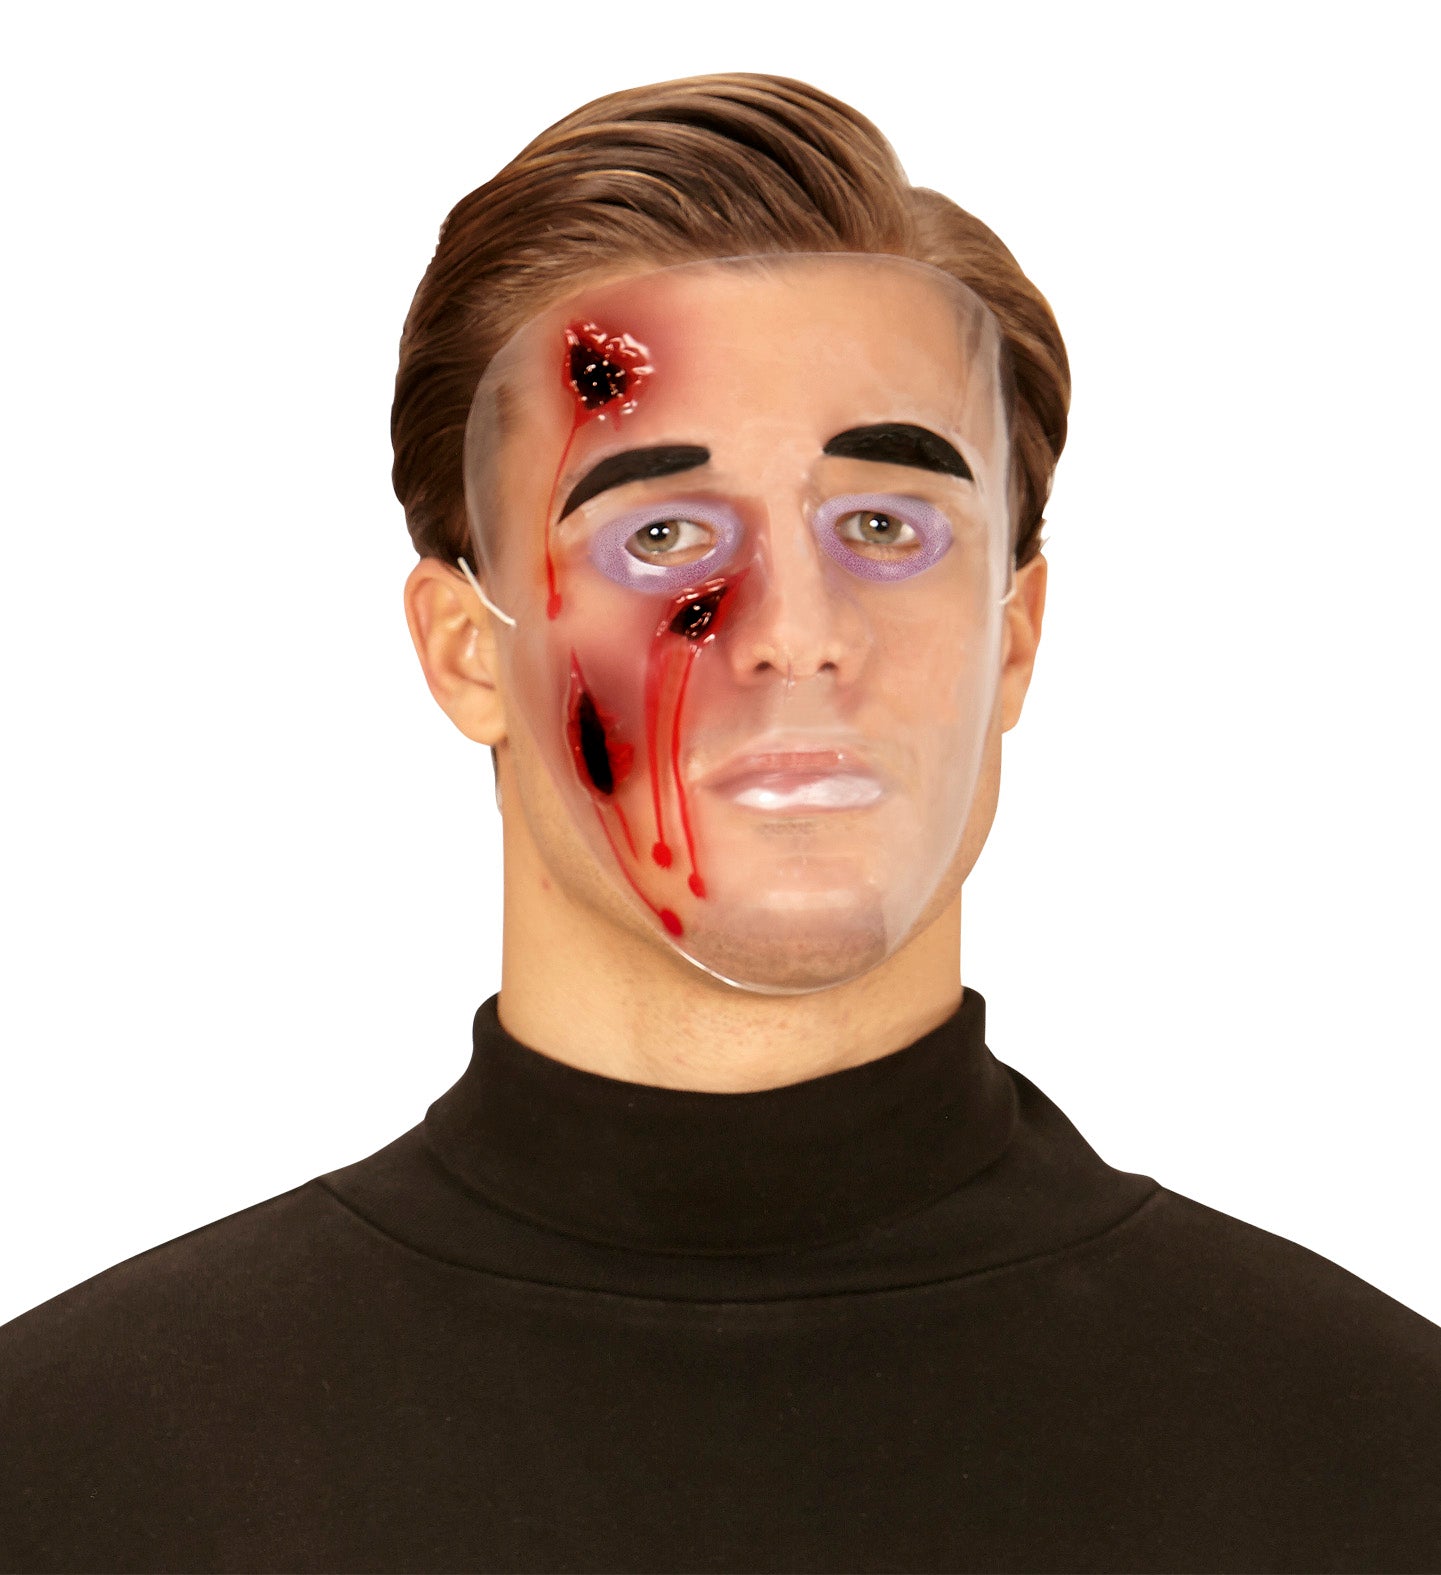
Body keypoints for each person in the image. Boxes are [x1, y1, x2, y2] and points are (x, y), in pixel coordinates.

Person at [2, 71, 1438, 1575]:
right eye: (665, 533)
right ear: (467, 652)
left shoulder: (1379, 1464)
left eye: (883, 525)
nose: (795, 632)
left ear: (1014, 640)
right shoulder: (76, 1478)